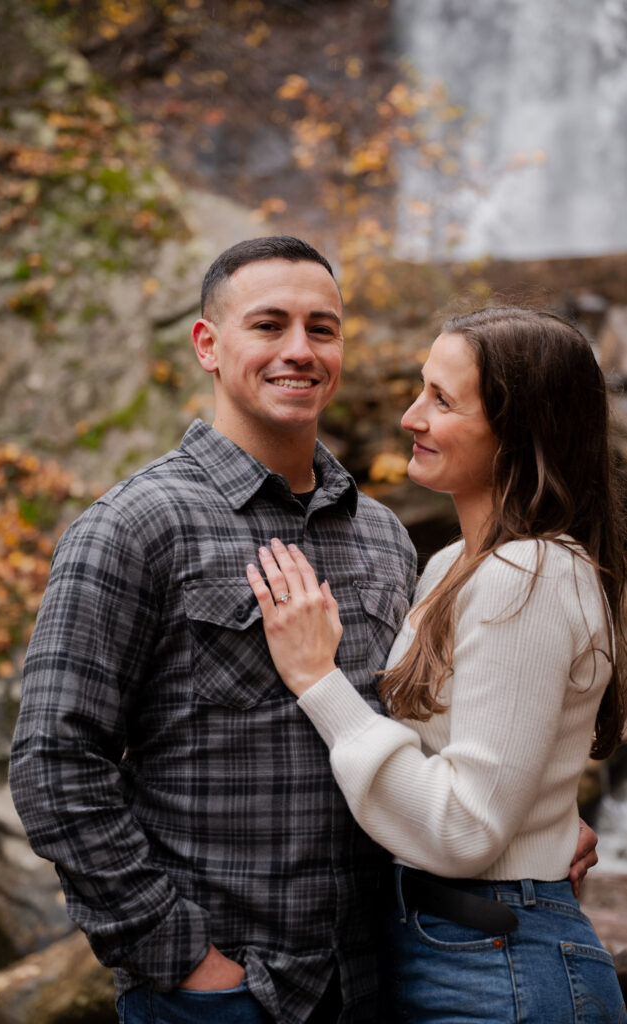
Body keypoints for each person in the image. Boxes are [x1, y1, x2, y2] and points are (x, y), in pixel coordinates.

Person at [8, 236, 418, 1024]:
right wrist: (182, 959)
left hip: (374, 983)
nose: (299, 350)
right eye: (268, 325)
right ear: (207, 344)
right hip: (222, 996)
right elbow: (54, 764)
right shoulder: (134, 526)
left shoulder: (384, 538)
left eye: (321, 328)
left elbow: (410, 735)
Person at [246, 307, 627, 1022]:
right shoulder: (454, 564)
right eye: (421, 390)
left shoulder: (528, 573)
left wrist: (316, 681)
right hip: (454, 944)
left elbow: (462, 828)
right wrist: (548, 817)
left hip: (496, 964)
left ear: (519, 430)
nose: (411, 418)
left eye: (442, 400)